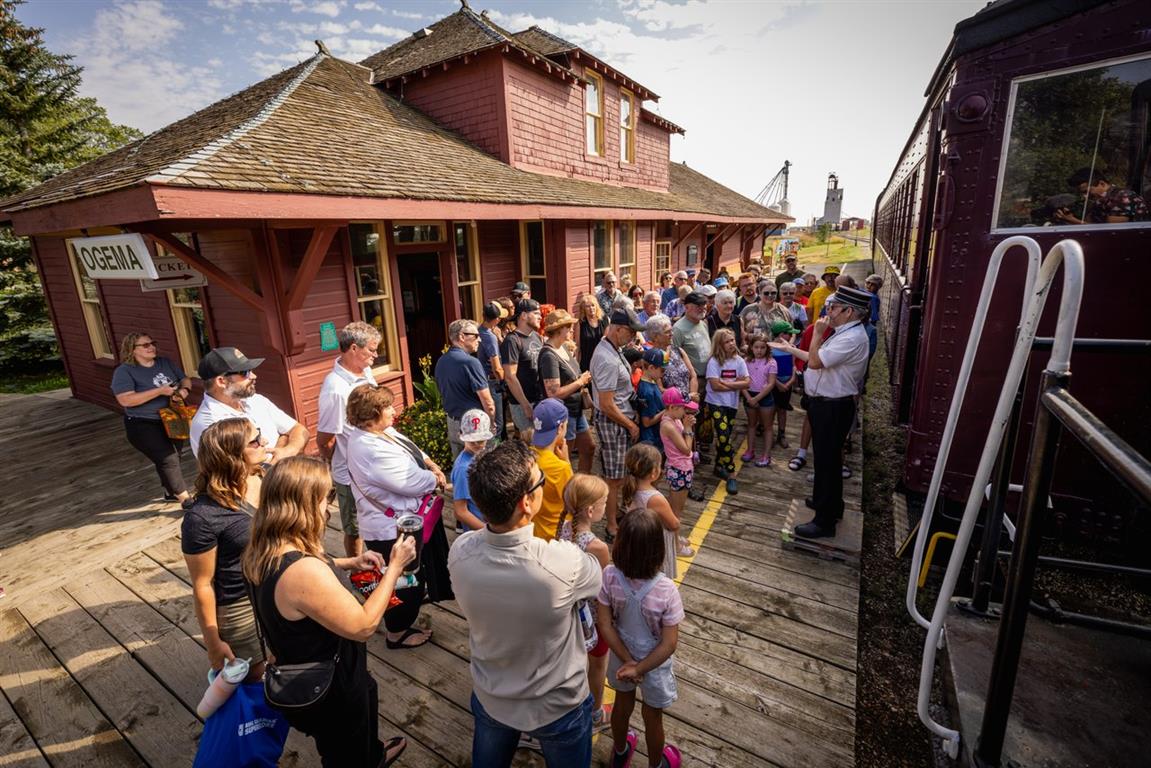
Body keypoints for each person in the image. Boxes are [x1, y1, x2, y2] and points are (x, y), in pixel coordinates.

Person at [243, 456, 413, 767]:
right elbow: (363, 626)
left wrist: (349, 562)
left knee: (364, 704)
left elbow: (298, 581)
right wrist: (395, 568)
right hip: (330, 687)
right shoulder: (303, 571)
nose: (329, 508)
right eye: (326, 498)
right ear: (303, 505)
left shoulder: (262, 548)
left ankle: (372, 754)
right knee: (346, 753)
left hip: (305, 668)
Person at [448, 440, 602, 768]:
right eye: (541, 482)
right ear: (527, 503)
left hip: (492, 695)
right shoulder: (561, 564)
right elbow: (596, 575)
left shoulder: (460, 552)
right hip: (557, 706)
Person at [345, 384, 450, 649]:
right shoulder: (370, 448)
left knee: (409, 574)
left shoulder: (377, 432)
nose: (394, 411)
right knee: (403, 580)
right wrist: (434, 477)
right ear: (373, 413)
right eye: (388, 407)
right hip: (390, 528)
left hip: (402, 519)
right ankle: (397, 632)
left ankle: (399, 612)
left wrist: (430, 463)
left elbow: (408, 444)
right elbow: (411, 482)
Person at [773, 287, 871, 538]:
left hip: (833, 405)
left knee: (827, 463)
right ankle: (827, 503)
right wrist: (790, 348)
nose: (828, 312)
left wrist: (817, 333)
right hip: (826, 404)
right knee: (826, 459)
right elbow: (817, 357)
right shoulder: (844, 332)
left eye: (834, 308)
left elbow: (815, 361)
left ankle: (824, 522)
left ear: (849, 312)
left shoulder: (850, 337)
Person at [182, 418, 267, 683]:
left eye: (260, 434)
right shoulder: (202, 517)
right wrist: (212, 642)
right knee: (256, 676)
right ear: (231, 456)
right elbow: (203, 584)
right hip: (239, 605)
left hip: (275, 588)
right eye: (254, 440)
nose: (263, 442)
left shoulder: (265, 477)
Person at [598, 507, 684, 768]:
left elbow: (605, 624)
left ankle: (621, 750)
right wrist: (642, 667)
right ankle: (657, 764)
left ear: (620, 544)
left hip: (620, 654)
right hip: (654, 662)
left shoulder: (609, 576)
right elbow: (669, 644)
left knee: (622, 705)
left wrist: (629, 663)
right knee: (652, 717)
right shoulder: (666, 590)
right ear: (658, 549)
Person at [316, 321, 378, 558]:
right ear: (354, 348)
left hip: (374, 463)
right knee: (355, 527)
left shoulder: (366, 372)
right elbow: (325, 439)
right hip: (351, 473)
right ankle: (356, 568)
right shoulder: (335, 388)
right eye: (371, 349)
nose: (376, 354)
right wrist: (340, 457)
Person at [557, 474, 612, 731]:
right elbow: (603, 588)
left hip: (568, 613)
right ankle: (595, 713)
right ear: (591, 510)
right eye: (604, 503)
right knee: (598, 663)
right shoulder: (597, 547)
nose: (606, 506)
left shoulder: (563, 530)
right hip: (592, 617)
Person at [112, 332, 193, 505]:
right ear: (132, 350)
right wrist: (159, 391)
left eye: (152, 343)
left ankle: (170, 491)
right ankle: (186, 501)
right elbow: (126, 400)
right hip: (143, 423)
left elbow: (184, 379)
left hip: (172, 419)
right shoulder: (124, 371)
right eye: (145, 345)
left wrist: (184, 390)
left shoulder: (164, 363)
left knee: (174, 457)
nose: (151, 347)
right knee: (168, 458)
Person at [189, 347, 308, 460]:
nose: (253, 376)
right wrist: (284, 439)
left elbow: (299, 429)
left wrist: (287, 451)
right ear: (221, 381)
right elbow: (240, 475)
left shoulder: (255, 400)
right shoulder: (210, 424)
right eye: (244, 372)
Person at [590, 307, 645, 541]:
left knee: (619, 474)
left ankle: (617, 515)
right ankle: (612, 526)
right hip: (614, 422)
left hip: (620, 419)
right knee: (613, 478)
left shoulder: (613, 348)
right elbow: (606, 404)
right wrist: (630, 425)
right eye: (631, 332)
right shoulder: (607, 359)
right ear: (619, 329)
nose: (633, 337)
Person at [539, 309, 595, 472]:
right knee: (564, 457)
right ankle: (566, 492)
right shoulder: (549, 356)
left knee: (589, 448)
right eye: (568, 326)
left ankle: (581, 485)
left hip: (575, 409)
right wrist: (580, 382)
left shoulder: (562, 348)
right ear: (558, 330)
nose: (572, 329)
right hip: (563, 414)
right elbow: (553, 393)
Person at [436, 318, 496, 460]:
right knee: (484, 472)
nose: (479, 340)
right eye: (475, 336)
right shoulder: (471, 362)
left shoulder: (441, 361)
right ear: (462, 337)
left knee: (461, 468)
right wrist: (492, 422)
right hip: (475, 426)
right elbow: (488, 402)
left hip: (452, 423)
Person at [621, 443, 680, 581]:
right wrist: (677, 521)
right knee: (658, 575)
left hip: (639, 539)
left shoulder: (630, 488)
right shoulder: (655, 498)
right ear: (654, 473)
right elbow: (673, 525)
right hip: (656, 541)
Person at [705, 328, 750, 494]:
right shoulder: (714, 362)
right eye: (727, 341)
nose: (732, 343)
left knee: (725, 437)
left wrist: (727, 384)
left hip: (731, 404)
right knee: (723, 435)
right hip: (715, 403)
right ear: (719, 345)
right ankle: (731, 474)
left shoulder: (739, 361)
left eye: (732, 340)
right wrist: (735, 383)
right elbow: (715, 386)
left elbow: (747, 383)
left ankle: (718, 465)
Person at [659, 388, 698, 554]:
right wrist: (688, 429)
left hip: (682, 468)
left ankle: (674, 537)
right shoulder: (668, 425)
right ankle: (674, 546)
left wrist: (686, 427)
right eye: (683, 407)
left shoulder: (674, 420)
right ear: (672, 408)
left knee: (676, 508)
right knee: (676, 512)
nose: (685, 411)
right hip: (679, 469)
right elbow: (686, 449)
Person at [530, 398, 574, 541]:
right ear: (560, 428)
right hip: (555, 535)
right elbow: (575, 501)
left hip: (533, 533)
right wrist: (566, 461)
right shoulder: (561, 468)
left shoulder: (526, 456)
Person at [502, 299, 545, 442]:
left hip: (539, 399)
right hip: (523, 403)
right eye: (537, 313)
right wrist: (525, 405)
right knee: (532, 444)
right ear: (524, 316)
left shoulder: (536, 336)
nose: (540, 317)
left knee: (543, 443)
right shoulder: (512, 341)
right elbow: (509, 377)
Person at [1056, 167, 1149, 224]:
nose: (1085, 196)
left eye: (1087, 192)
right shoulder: (1100, 202)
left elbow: (1110, 232)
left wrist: (1073, 220)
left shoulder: (1122, 198)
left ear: (1102, 184)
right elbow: (1089, 223)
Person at [451, 409, 492, 532]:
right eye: (471, 440)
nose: (477, 444)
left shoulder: (480, 454)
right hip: (479, 529)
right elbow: (460, 511)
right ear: (461, 435)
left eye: (480, 440)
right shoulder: (463, 468)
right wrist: (487, 532)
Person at [741, 335, 777, 467]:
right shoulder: (746, 361)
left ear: (767, 348)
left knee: (767, 427)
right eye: (756, 347)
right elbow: (741, 380)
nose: (759, 350)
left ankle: (766, 455)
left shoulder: (771, 362)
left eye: (762, 347)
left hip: (764, 396)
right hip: (749, 395)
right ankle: (750, 450)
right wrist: (748, 397)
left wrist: (756, 398)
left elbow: (771, 383)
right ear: (751, 347)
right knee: (751, 425)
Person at [479, 301, 508, 439]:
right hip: (491, 382)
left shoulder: (479, 331)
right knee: (497, 423)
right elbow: (496, 366)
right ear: (496, 319)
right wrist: (502, 384)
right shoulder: (490, 337)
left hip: (481, 380)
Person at [770, 320, 798, 450]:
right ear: (781, 335)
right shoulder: (770, 349)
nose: (791, 336)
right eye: (789, 334)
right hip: (773, 384)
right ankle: (768, 432)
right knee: (771, 409)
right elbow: (768, 370)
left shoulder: (792, 349)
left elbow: (793, 366)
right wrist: (777, 383)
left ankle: (781, 434)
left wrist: (791, 381)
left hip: (787, 383)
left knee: (783, 409)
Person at [636, 348, 666, 449]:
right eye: (662, 370)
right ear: (651, 368)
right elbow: (646, 422)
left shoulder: (652, 381)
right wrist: (667, 410)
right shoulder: (646, 391)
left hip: (657, 435)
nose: (664, 373)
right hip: (650, 439)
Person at [575, 292, 605, 379]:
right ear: (583, 309)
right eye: (587, 306)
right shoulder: (580, 324)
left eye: (593, 305)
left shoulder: (605, 320)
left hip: (602, 360)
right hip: (587, 362)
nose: (591, 308)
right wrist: (576, 366)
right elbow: (577, 347)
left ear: (596, 306)